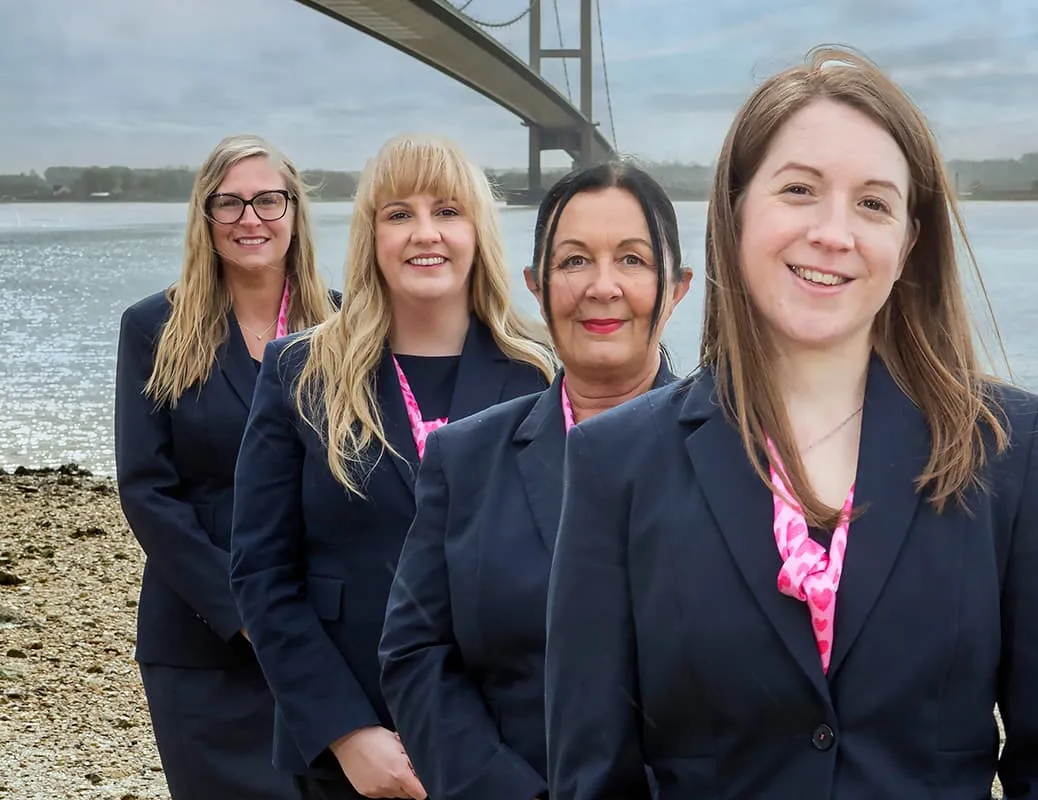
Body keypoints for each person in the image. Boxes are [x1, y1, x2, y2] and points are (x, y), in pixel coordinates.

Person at [542, 47, 1038, 799]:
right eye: (800, 190)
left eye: (872, 203)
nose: (833, 233)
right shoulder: (617, 464)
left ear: (907, 245)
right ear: (735, 210)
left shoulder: (1005, 448)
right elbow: (592, 774)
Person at [229, 134, 556, 800]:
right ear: (370, 235)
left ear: (479, 231)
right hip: (352, 752)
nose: (424, 233)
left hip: (508, 750)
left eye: (447, 211)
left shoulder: (541, 374)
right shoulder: (299, 373)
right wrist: (347, 734)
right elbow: (262, 573)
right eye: (398, 214)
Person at [378, 161, 692, 800]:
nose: (602, 287)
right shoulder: (464, 458)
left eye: (632, 260)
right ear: (536, 285)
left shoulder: (741, 454)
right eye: (574, 261)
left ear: (678, 287)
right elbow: (415, 656)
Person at [114, 133, 338, 799]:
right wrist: (245, 613)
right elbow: (146, 489)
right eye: (229, 203)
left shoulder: (347, 323)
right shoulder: (154, 327)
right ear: (204, 217)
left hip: (324, 636)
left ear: (295, 211)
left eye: (269, 200)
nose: (250, 220)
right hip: (202, 641)